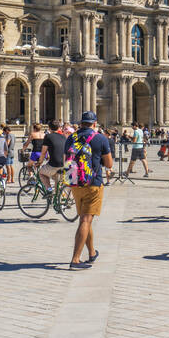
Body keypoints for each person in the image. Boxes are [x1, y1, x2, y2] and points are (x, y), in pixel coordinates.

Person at [64, 112, 114, 269]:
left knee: (85, 219)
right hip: (93, 183)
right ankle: (75, 260)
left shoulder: (71, 138)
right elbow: (109, 164)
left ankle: (92, 253)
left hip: (75, 183)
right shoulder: (100, 138)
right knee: (86, 220)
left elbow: (67, 158)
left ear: (81, 123)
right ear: (94, 123)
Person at [38, 120, 68, 191]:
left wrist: (40, 162)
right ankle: (57, 197)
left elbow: (43, 152)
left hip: (54, 164)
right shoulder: (64, 137)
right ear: (59, 127)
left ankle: (49, 189)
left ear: (49, 128)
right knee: (56, 179)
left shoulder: (48, 136)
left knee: (42, 173)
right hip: (64, 164)